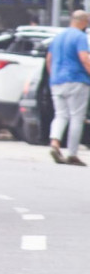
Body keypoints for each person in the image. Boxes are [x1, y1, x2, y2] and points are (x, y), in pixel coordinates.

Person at [46, 9, 90, 166]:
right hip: (76, 79)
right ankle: (72, 153)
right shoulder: (80, 37)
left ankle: (55, 143)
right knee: (76, 117)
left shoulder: (58, 37)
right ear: (83, 21)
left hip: (57, 81)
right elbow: (84, 58)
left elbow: (49, 59)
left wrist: (53, 76)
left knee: (60, 115)